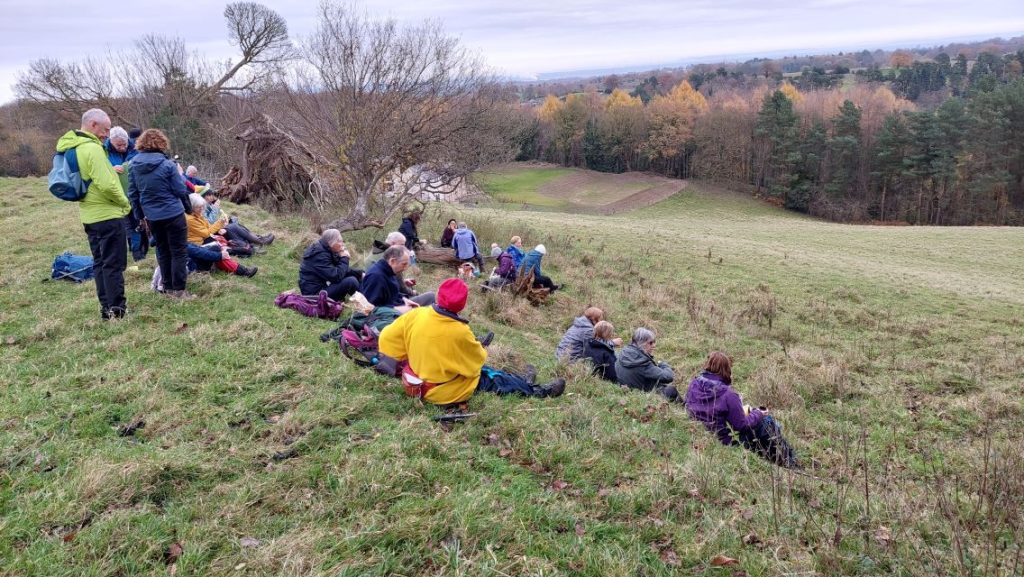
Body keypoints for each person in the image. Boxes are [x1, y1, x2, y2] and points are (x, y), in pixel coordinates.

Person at [378, 278, 566, 406]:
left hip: (415, 382)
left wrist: (409, 353)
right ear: (462, 304)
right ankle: (538, 391)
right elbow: (477, 362)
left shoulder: (417, 314)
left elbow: (386, 338)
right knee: (491, 377)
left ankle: (523, 381)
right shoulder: (460, 331)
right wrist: (479, 347)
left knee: (491, 374)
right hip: (440, 392)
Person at [56, 109, 132, 319]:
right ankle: (118, 310)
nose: (106, 134)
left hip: (89, 216)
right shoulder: (92, 149)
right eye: (105, 129)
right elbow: (107, 185)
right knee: (113, 264)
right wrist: (124, 203)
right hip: (107, 215)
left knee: (100, 262)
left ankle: (106, 308)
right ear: (92, 124)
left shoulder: (73, 147)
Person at [685, 351, 799, 468]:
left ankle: (775, 458)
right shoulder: (728, 394)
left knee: (762, 423)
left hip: (703, 433)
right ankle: (790, 461)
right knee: (767, 423)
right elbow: (742, 426)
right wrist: (758, 413)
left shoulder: (694, 383)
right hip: (725, 441)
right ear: (727, 369)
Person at [128, 128, 192, 298]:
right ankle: (179, 290)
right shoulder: (168, 165)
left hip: (153, 217)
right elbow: (180, 190)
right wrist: (188, 208)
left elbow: (133, 193)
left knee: (163, 251)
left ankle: (168, 287)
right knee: (178, 251)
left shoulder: (133, 165)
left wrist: (139, 216)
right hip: (173, 214)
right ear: (162, 143)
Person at [184, 193, 257, 277]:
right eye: (198, 207)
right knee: (219, 246)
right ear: (191, 206)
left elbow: (208, 227)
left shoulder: (197, 215)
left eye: (202, 206)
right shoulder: (190, 219)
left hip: (202, 241)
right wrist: (219, 222)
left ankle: (250, 248)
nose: (201, 208)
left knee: (229, 232)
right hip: (200, 243)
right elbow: (207, 233)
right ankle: (243, 267)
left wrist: (219, 226)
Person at [360, 245, 430, 314]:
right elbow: (370, 308)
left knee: (430, 296)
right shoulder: (376, 277)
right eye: (404, 264)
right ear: (392, 261)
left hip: (398, 304)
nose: (405, 268)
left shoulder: (389, 270)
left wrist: (404, 299)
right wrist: (396, 309)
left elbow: (392, 293)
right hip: (388, 316)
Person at [298, 229, 362, 301]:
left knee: (356, 276)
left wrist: (360, 273)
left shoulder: (326, 249)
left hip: (322, 288)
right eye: (340, 241)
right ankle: (364, 302)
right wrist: (344, 258)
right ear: (331, 242)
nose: (342, 244)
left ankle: (366, 299)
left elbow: (340, 269)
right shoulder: (319, 255)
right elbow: (336, 276)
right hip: (314, 296)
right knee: (351, 281)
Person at [201, 188, 274, 247]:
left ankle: (258, 238)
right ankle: (260, 241)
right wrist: (215, 208)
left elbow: (212, 220)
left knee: (234, 220)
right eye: (210, 195)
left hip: (215, 228)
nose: (212, 197)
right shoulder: (201, 207)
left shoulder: (207, 205)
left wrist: (222, 220)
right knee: (233, 226)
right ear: (205, 196)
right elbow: (210, 221)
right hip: (212, 232)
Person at [615, 328, 676, 396]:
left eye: (654, 342)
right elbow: (668, 377)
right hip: (643, 396)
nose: (654, 345)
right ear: (641, 343)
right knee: (671, 390)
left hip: (628, 392)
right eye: (650, 343)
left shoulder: (623, 353)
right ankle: (684, 406)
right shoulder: (642, 363)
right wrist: (663, 364)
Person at [555, 307, 621, 361]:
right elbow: (597, 344)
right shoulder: (588, 329)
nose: (602, 320)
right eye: (601, 318)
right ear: (594, 319)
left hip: (560, 354)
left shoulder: (579, 323)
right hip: (570, 359)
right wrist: (613, 342)